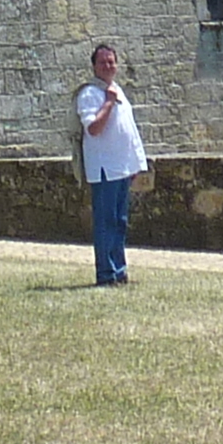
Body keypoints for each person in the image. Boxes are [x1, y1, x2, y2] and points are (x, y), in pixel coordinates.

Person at [75, 42, 147, 286]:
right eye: (103, 62)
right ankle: (106, 274)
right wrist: (107, 103)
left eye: (111, 61)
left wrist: (136, 163)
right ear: (94, 66)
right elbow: (93, 128)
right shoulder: (89, 94)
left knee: (120, 221)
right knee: (105, 223)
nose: (108, 66)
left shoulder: (117, 90)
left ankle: (120, 271)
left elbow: (129, 129)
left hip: (122, 167)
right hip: (104, 169)